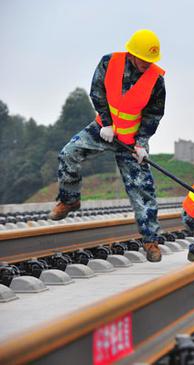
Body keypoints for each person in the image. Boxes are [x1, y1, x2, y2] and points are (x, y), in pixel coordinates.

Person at [48, 29, 166, 262]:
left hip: (132, 142)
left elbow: (154, 114)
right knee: (68, 154)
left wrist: (142, 143)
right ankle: (69, 200)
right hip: (104, 130)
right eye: (144, 59)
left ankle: (151, 241)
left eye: (151, 61)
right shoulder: (109, 63)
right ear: (132, 54)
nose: (147, 65)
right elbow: (97, 91)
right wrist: (108, 123)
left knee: (143, 191)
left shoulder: (156, 80)